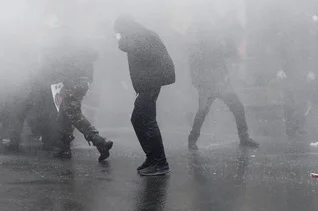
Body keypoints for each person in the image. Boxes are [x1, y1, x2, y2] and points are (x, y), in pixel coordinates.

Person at [114, 15, 175, 176]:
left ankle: (160, 162)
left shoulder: (140, 35)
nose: (118, 35)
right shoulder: (139, 33)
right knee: (138, 119)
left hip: (152, 81)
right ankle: (152, 158)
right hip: (149, 81)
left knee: (147, 120)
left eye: (118, 32)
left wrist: (123, 43)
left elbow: (142, 52)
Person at [187, 17, 259, 150]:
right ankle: (192, 140)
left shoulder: (212, 45)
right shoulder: (203, 48)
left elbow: (231, 55)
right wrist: (199, 83)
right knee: (204, 112)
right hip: (210, 85)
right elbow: (196, 69)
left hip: (220, 84)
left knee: (234, 108)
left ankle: (193, 140)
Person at [52, 29, 113, 161]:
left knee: (74, 115)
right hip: (82, 82)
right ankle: (64, 148)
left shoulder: (70, 51)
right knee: (64, 115)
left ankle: (100, 141)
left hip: (72, 83)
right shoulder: (83, 49)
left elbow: (63, 69)